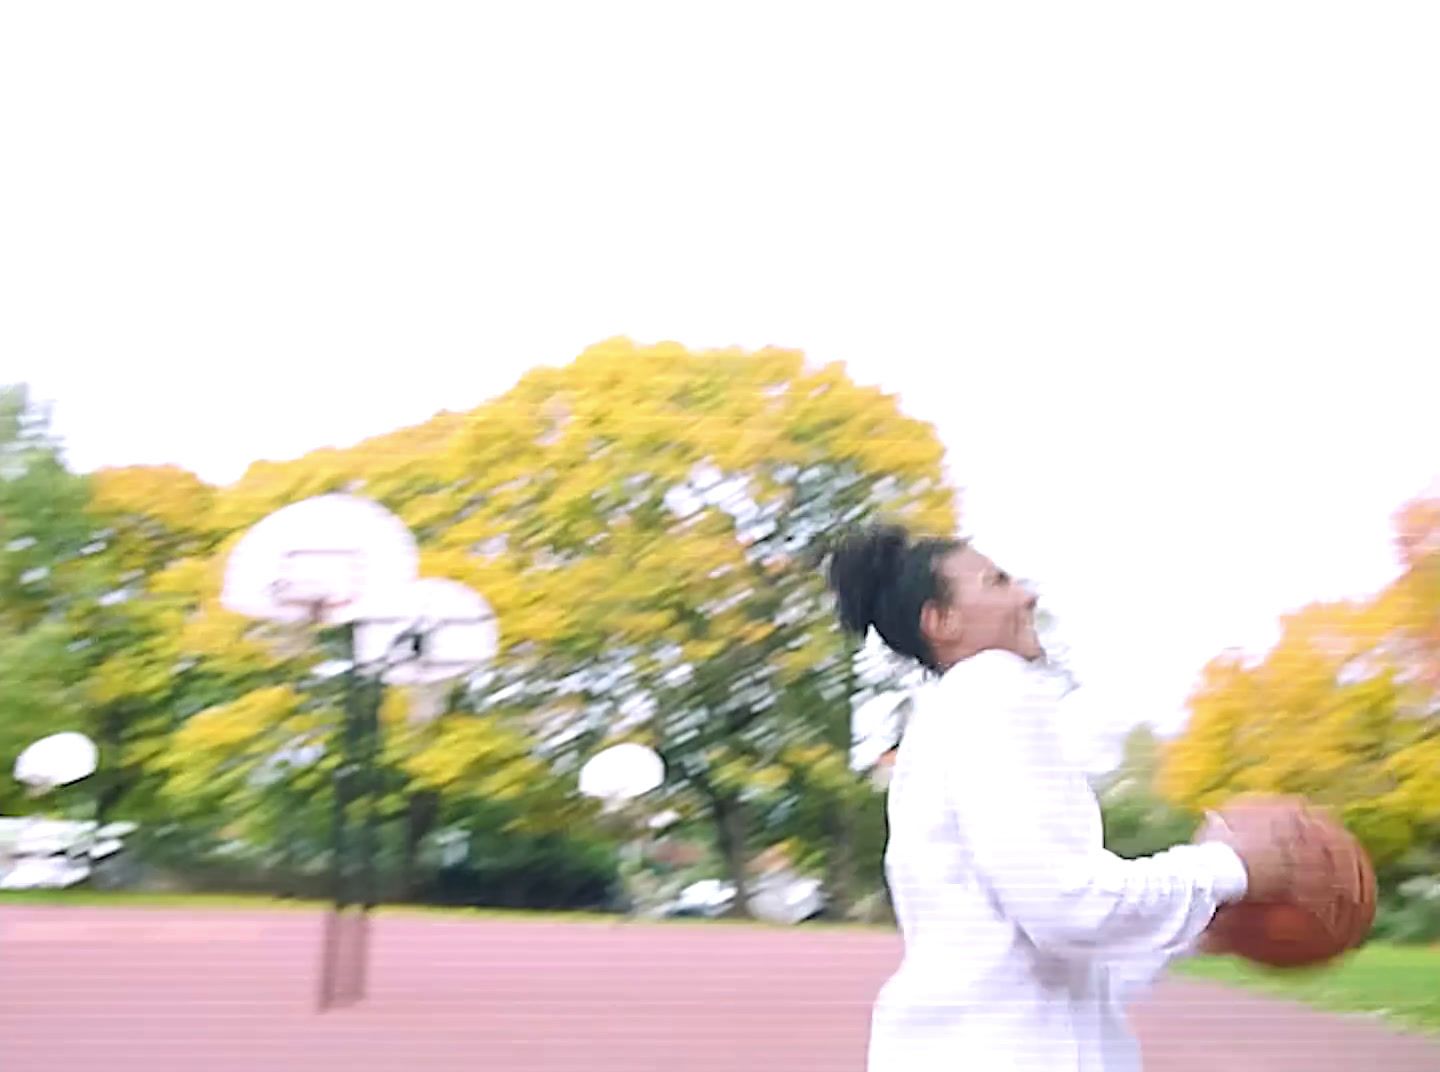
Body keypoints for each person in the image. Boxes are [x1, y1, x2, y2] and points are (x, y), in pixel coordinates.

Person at [826, 523, 1299, 1072]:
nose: (1026, 594)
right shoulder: (992, 690)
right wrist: (1227, 867)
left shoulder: (945, 723)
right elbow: (1067, 906)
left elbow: (1054, 959)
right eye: (996, 582)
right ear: (942, 622)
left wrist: (1199, 926)